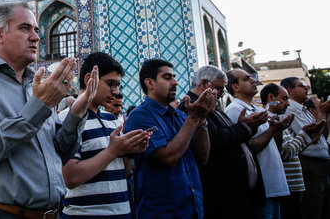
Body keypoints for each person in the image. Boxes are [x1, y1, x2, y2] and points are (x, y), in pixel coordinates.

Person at [0, 2, 98, 219]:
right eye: (25, 28)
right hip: (1, 213)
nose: (36, 37)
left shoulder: (36, 86)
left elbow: (60, 153)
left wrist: (77, 113)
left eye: (37, 30)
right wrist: (40, 106)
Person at [61, 52, 150, 218]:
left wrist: (129, 153)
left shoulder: (112, 120)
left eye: (118, 86)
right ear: (90, 79)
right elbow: (71, 178)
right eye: (111, 84)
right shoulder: (67, 119)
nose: (115, 92)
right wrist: (113, 151)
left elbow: (120, 174)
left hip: (122, 211)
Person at [125, 58, 215, 219]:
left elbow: (202, 158)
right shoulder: (140, 116)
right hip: (162, 211)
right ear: (149, 83)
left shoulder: (180, 116)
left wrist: (202, 121)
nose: (175, 82)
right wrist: (193, 119)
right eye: (167, 78)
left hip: (192, 208)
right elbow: (168, 157)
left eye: (174, 77)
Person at [178, 65, 266, 218]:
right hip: (219, 194)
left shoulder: (213, 106)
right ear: (204, 84)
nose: (221, 94)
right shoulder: (191, 107)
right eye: (219, 89)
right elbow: (217, 139)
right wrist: (245, 127)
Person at [224, 69, 291, 219]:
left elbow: (274, 146)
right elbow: (244, 149)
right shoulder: (235, 110)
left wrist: (277, 130)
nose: (253, 81)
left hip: (273, 185)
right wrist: (271, 131)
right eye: (247, 79)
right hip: (261, 189)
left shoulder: (257, 110)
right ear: (235, 87)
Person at [260, 83, 324, 219]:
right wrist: (304, 134)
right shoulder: (269, 121)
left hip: (292, 186)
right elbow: (286, 153)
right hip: (287, 187)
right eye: (284, 99)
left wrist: (305, 135)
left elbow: (291, 149)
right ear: (271, 98)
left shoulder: (277, 120)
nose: (288, 104)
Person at [281, 76, 330, 219]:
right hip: (309, 164)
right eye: (301, 86)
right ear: (290, 90)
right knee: (312, 207)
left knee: (324, 206)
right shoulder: (291, 109)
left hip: (321, 163)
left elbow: (322, 135)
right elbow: (312, 136)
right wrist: (322, 114)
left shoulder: (303, 109)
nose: (306, 88)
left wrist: (323, 117)